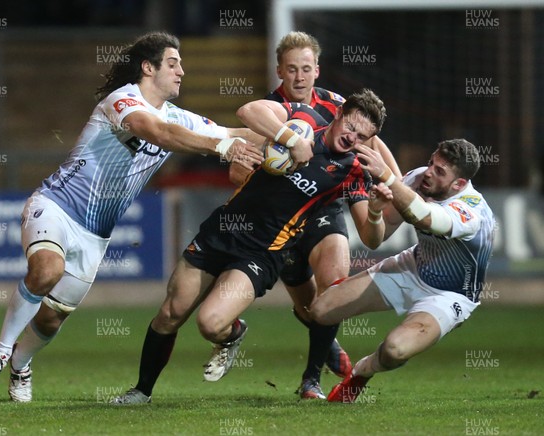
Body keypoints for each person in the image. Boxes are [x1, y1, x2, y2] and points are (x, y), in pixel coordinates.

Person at [0, 32, 267, 402]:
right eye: (173, 63)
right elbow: (157, 132)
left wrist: (290, 138)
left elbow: (233, 132)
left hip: (96, 235)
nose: (182, 71)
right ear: (149, 67)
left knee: (51, 318)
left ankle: (21, 363)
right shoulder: (122, 100)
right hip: (56, 205)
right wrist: (224, 147)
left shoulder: (179, 117)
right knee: (46, 270)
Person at [112, 88, 391, 405]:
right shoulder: (303, 119)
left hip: (263, 252)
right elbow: (248, 111)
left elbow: (372, 238)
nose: (351, 137)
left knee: (210, 323)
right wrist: (292, 140)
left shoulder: (352, 171)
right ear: (338, 115)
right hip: (222, 231)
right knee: (170, 314)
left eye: (361, 136)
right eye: (350, 126)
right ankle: (142, 392)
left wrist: (378, 209)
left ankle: (231, 334)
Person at [231, 31, 402, 399]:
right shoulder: (270, 111)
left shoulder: (337, 105)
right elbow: (236, 171)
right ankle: (329, 347)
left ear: (316, 70)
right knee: (311, 310)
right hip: (279, 222)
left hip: (325, 210)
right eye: (291, 69)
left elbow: (371, 138)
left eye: (305, 69)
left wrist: (397, 183)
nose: (298, 77)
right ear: (279, 71)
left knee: (335, 286)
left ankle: (311, 381)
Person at [309, 138, 495, 403]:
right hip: (413, 266)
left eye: (440, 171)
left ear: (459, 184)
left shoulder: (471, 212)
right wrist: (374, 213)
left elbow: (427, 218)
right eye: (432, 162)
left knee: (394, 350)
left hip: (451, 295)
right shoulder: (419, 179)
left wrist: (387, 175)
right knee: (320, 311)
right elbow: (376, 239)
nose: (429, 171)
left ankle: (360, 373)